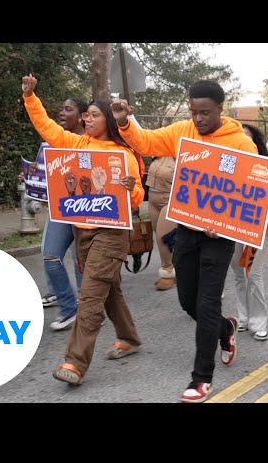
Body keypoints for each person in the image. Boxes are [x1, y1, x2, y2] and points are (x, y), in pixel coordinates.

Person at [111, 80, 268, 403]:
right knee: (187, 301)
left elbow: (256, 189)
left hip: (220, 236)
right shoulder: (183, 130)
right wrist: (125, 122)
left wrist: (228, 221)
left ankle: (201, 378)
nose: (198, 119)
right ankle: (225, 330)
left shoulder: (240, 142)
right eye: (193, 112)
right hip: (188, 228)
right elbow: (147, 142)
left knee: (208, 302)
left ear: (220, 109)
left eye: (205, 112)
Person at [22, 74, 144, 386]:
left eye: (94, 114)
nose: (87, 119)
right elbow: (48, 127)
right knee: (109, 289)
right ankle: (129, 338)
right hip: (83, 232)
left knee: (90, 294)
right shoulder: (77, 143)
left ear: (108, 121)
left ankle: (75, 363)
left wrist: (131, 189)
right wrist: (30, 97)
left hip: (112, 233)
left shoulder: (124, 154)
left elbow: (136, 196)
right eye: (86, 114)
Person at [30, 97, 88, 331]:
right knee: (50, 256)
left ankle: (88, 307)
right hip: (60, 207)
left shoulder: (92, 141)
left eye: (68, 109)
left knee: (82, 260)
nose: (62, 113)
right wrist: (33, 178)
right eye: (61, 108)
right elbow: (45, 175)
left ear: (82, 115)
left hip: (87, 209)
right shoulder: (53, 141)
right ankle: (68, 307)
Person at [229, 123, 268, 341]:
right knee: (237, 273)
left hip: (257, 224)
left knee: (253, 273)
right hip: (231, 224)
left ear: (255, 143)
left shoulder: (265, 167)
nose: (241, 142)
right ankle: (243, 318)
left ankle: (260, 321)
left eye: (246, 138)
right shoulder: (226, 164)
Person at [146, 155, 178, 290]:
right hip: (152, 198)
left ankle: (167, 272)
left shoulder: (183, 153)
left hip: (170, 199)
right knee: (159, 233)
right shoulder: (158, 150)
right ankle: (178, 267)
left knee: (162, 236)